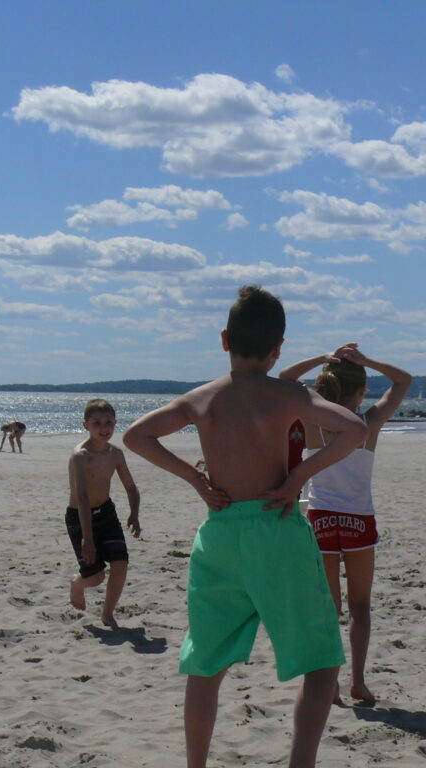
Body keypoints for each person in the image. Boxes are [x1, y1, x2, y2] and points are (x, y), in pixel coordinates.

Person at [122, 285, 367, 768]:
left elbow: (136, 436)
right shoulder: (289, 394)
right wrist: (299, 476)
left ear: (224, 340)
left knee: (206, 663)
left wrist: (195, 478)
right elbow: (354, 431)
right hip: (276, 528)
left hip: (220, 532)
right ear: (278, 350)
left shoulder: (203, 398)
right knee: (320, 663)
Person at [279, 343, 411, 704]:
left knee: (329, 608)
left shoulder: (313, 422)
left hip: (321, 520)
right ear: (362, 390)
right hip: (358, 522)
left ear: (324, 387)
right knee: (360, 607)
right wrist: (366, 360)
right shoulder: (368, 423)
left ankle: (331, 685)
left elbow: (285, 378)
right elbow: (404, 380)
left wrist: (323, 358)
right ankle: (358, 682)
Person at [66, 399, 140, 627]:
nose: (104, 427)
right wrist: (88, 538)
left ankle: (107, 614)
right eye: (97, 423)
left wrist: (134, 514)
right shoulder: (81, 455)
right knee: (95, 577)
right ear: (86, 425)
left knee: (120, 564)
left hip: (106, 513)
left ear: (115, 423)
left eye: (108, 422)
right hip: (80, 517)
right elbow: (83, 497)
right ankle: (77, 584)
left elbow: (131, 487)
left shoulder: (115, 454)